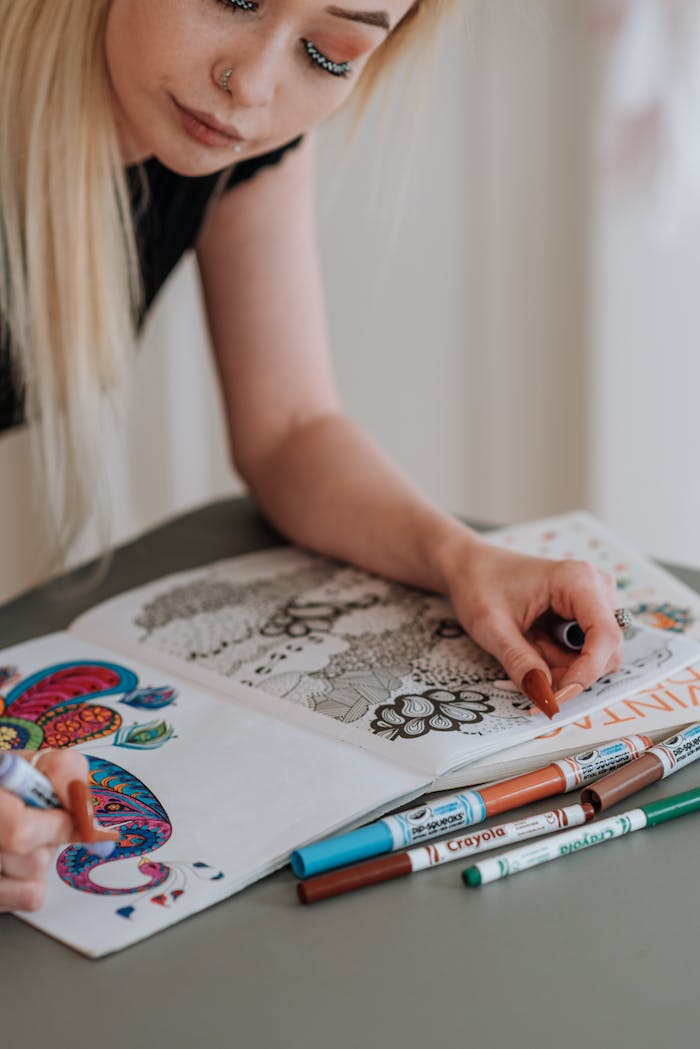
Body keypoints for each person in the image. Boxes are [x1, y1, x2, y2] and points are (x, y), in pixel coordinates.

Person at [0, 0, 624, 913]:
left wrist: (464, 558)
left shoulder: (233, 134)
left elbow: (289, 426)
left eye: (327, 56)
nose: (251, 85)